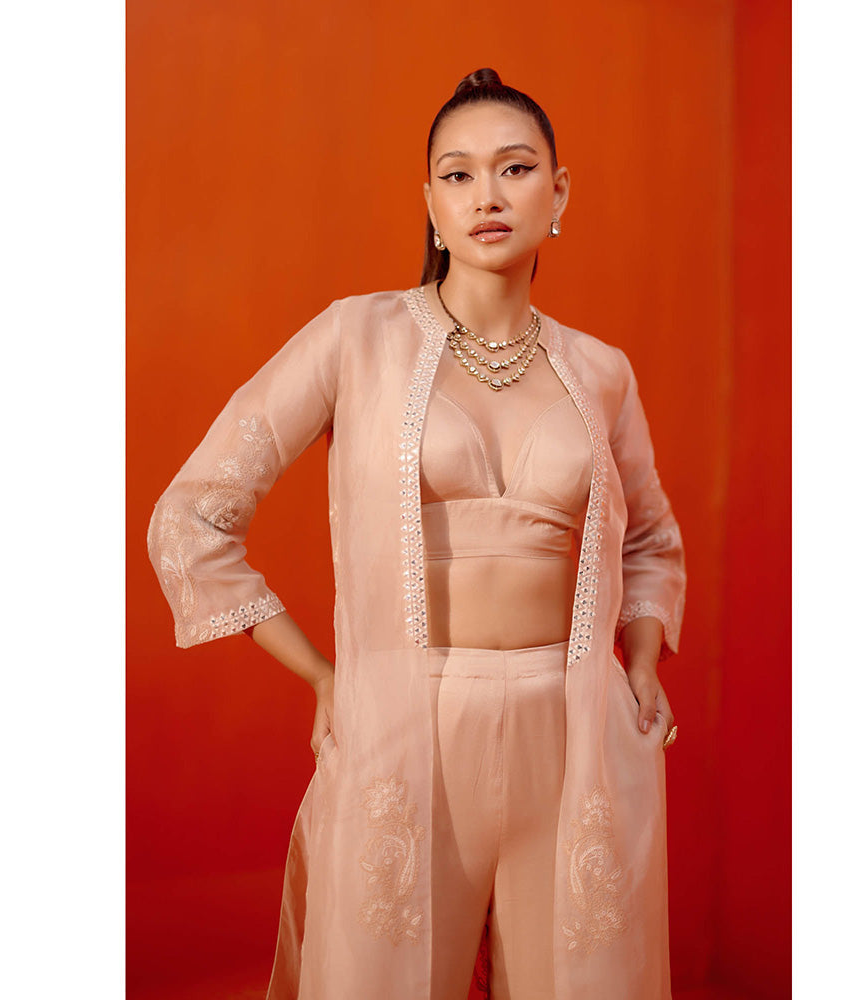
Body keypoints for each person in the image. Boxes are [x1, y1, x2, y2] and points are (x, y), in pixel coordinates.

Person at [147, 67, 686, 1000]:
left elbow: (651, 542)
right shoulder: (355, 339)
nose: (487, 196)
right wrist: (326, 677)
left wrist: (638, 663)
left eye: (515, 169)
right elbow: (191, 516)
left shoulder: (602, 371)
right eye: (457, 174)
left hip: (577, 735)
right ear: (430, 202)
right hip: (406, 727)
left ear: (559, 193)